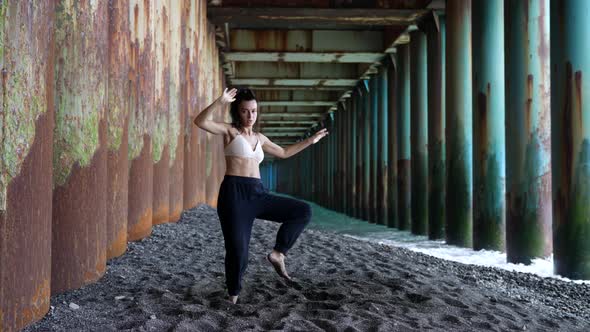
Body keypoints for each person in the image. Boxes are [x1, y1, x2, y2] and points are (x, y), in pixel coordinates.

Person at [193, 87, 329, 304]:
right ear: (238, 112)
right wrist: (220, 101)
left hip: (258, 193)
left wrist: (310, 141)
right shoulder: (230, 132)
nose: (250, 116)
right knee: (238, 250)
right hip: (234, 194)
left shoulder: (260, 138)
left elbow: (284, 153)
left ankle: (278, 253)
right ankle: (233, 296)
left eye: (254, 111)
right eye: (245, 111)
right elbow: (200, 122)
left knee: (302, 211)